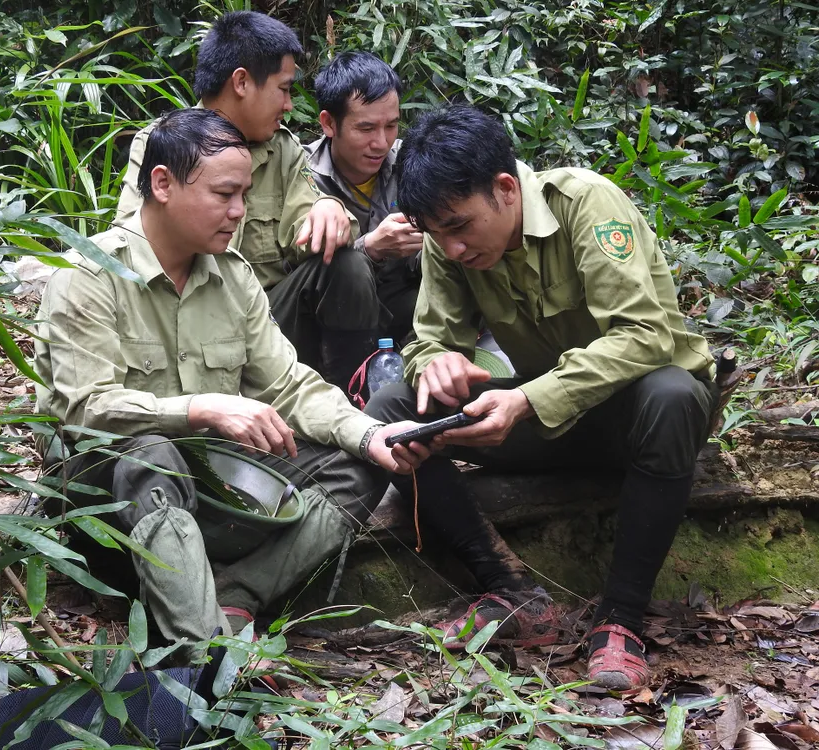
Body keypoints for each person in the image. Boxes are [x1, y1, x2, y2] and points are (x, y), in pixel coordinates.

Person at [36, 108, 428, 654]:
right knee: (150, 453)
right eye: (224, 194)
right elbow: (86, 410)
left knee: (359, 465)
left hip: (212, 483)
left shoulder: (234, 278)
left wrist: (368, 434)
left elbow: (288, 385)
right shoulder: (88, 278)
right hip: (112, 501)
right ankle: (201, 652)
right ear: (163, 184)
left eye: (244, 194)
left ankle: (234, 595)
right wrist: (201, 408)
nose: (239, 211)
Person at [365, 105, 719, 690]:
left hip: (635, 420)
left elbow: (646, 335)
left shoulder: (585, 205)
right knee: (394, 411)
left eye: (460, 227)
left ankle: (621, 620)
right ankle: (511, 591)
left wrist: (527, 401)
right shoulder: (446, 237)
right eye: (437, 233)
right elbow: (428, 339)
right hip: (553, 421)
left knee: (674, 394)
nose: (451, 247)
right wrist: (436, 365)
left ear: (505, 189)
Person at [116, 12, 380, 391]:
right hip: (183, 321)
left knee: (347, 265)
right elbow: (133, 245)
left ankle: (349, 394)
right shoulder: (162, 144)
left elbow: (308, 225)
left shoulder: (283, 149)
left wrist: (329, 208)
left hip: (263, 321)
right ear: (241, 82)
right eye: (284, 89)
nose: (289, 104)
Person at [305, 52, 422, 346]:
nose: (381, 143)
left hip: (400, 308)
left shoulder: (412, 162)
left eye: (391, 126)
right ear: (329, 123)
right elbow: (294, 273)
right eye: (366, 128)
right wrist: (369, 248)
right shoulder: (300, 175)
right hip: (322, 324)